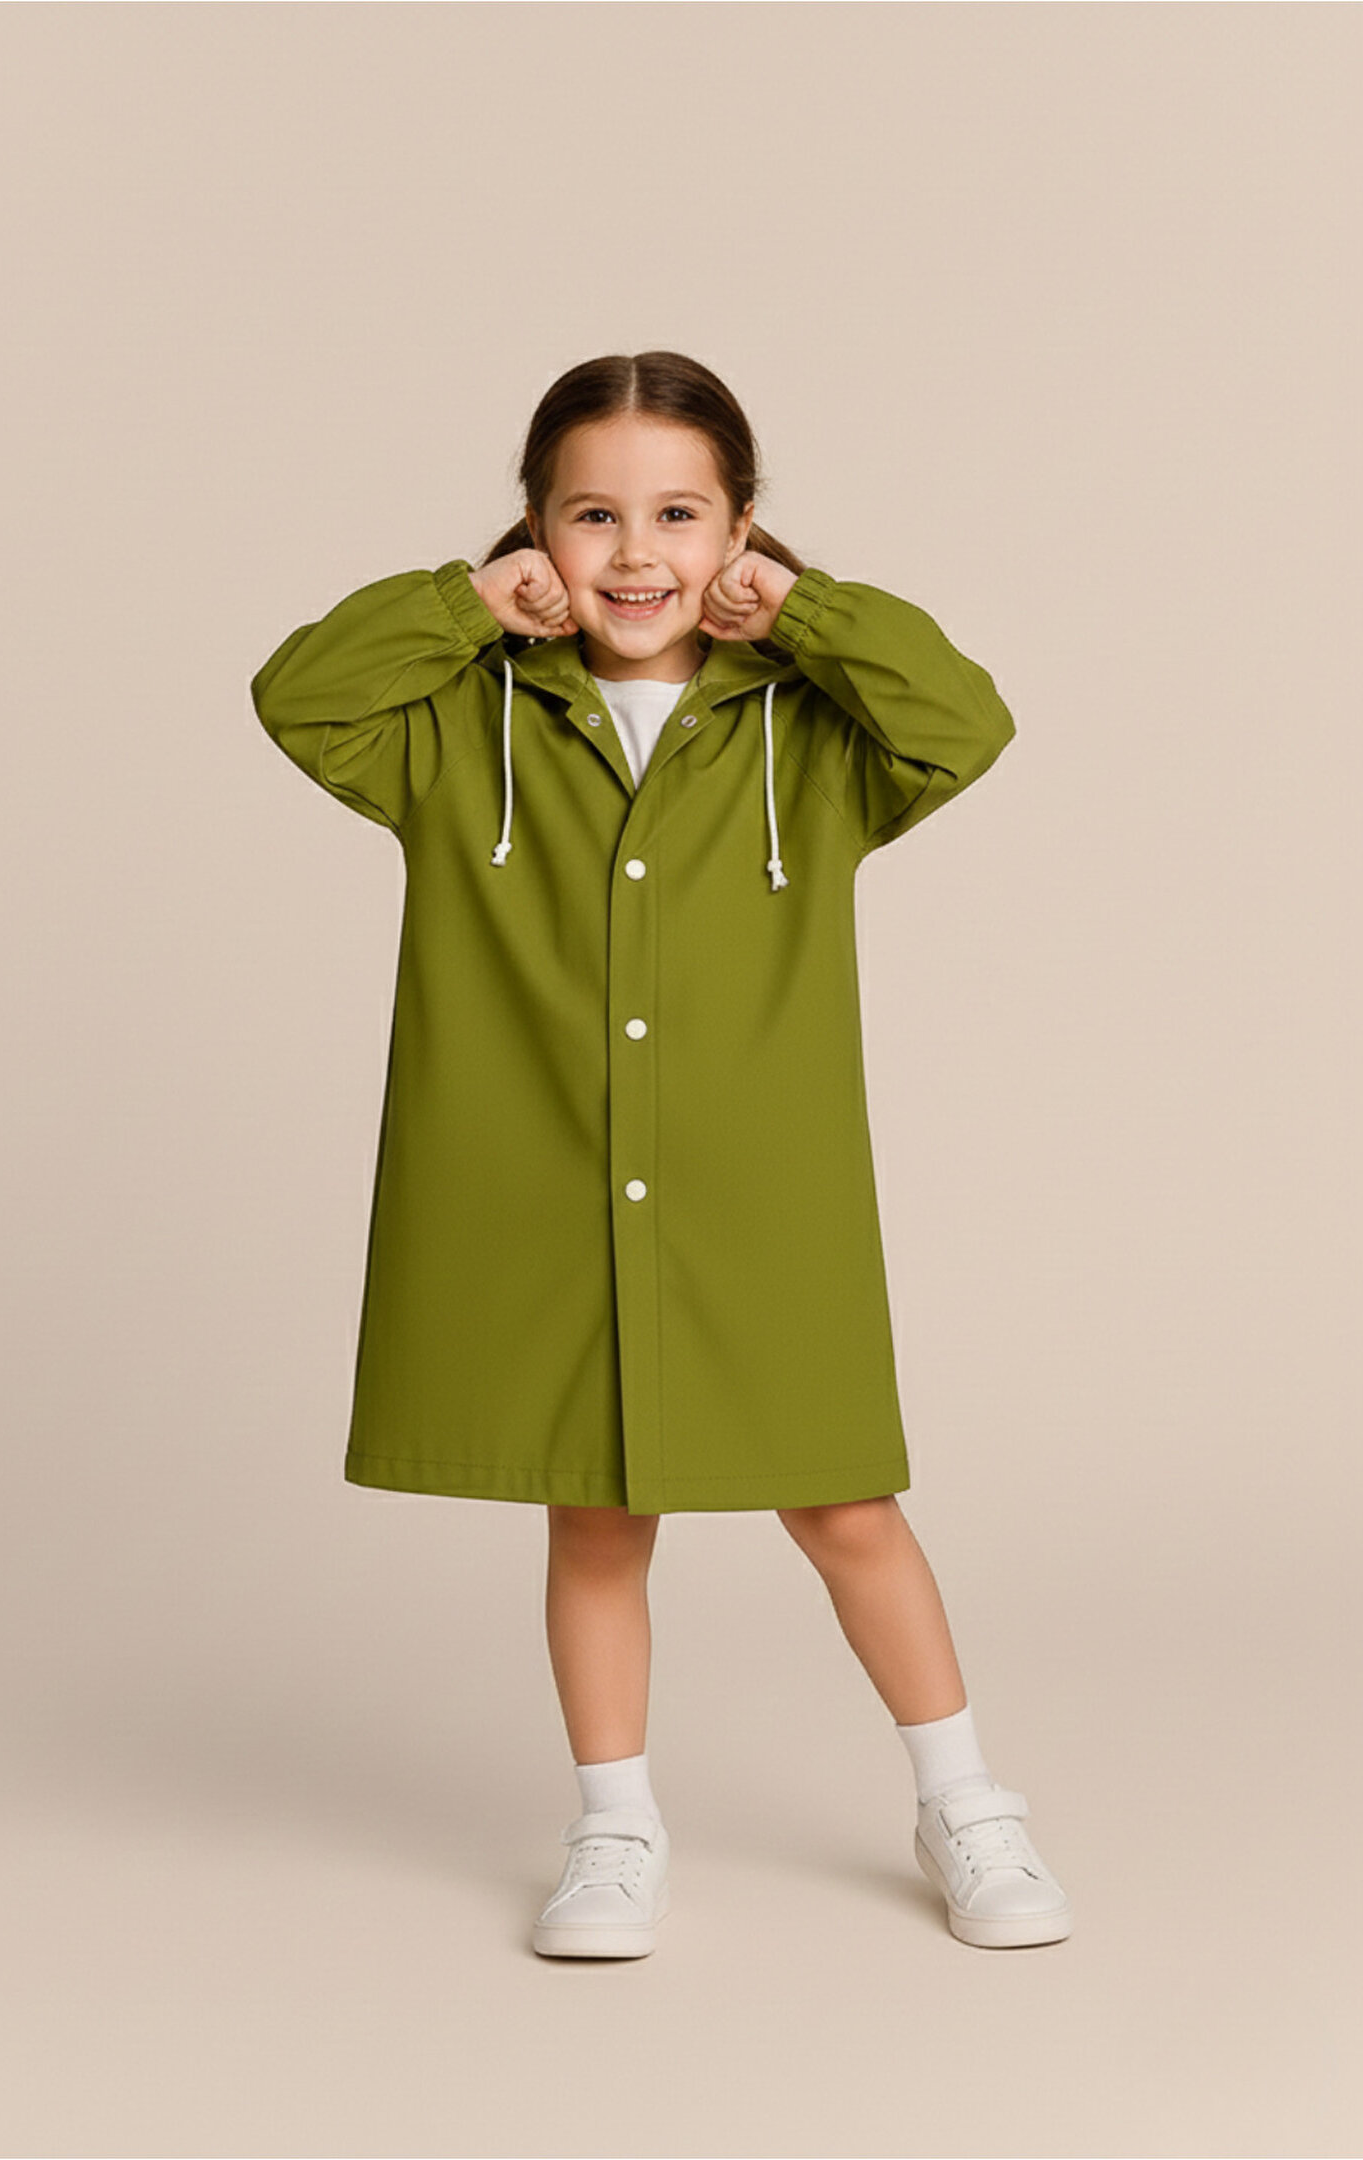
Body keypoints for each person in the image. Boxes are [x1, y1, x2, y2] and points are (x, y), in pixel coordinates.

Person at [250, 350, 1072, 1961]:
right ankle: (615, 1825)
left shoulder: (810, 732)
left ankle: (966, 1803)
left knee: (848, 1509)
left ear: (741, 529)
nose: (636, 554)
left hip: (757, 1207)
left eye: (680, 515)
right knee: (593, 1518)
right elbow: (300, 696)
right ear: (534, 530)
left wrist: (811, 618)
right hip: (553, 1199)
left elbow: (964, 722)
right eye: (594, 515)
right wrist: (459, 608)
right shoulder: (460, 722)